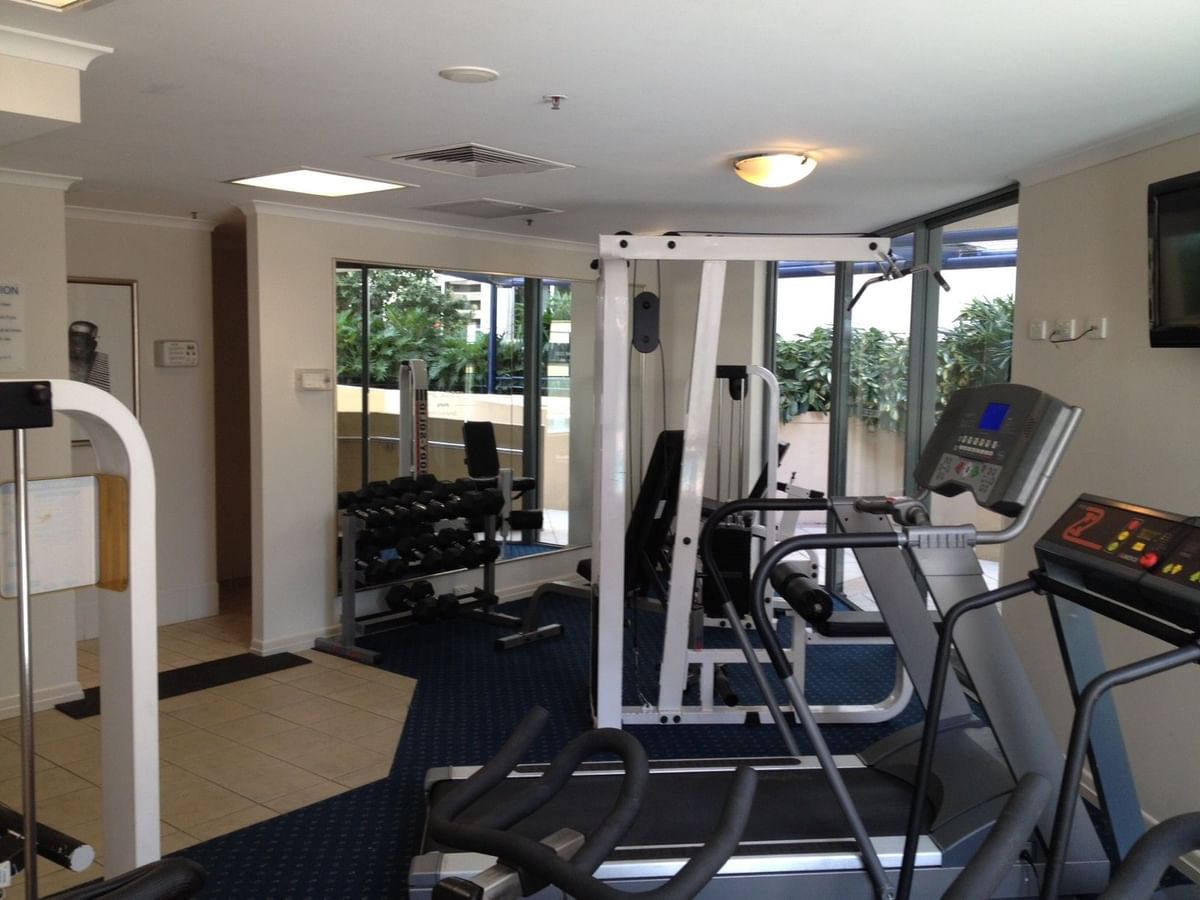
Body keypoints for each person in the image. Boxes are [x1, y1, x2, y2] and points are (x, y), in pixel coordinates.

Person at [68, 320, 111, 391]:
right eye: (73, 337)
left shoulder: (102, 362)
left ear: (95, 342)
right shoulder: (61, 359)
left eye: (83, 339)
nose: (77, 345)